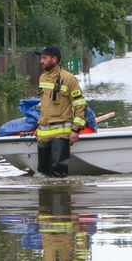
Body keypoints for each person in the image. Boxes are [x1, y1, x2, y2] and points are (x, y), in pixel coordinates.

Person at [34, 46, 87, 177]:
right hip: (43, 133)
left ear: (54, 59)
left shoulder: (69, 79)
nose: (41, 61)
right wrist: (38, 127)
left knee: (58, 173)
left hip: (61, 134)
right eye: (41, 58)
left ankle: (61, 195)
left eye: (44, 58)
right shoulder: (42, 78)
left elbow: (80, 105)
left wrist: (76, 130)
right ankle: (46, 196)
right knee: (43, 173)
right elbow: (45, 104)